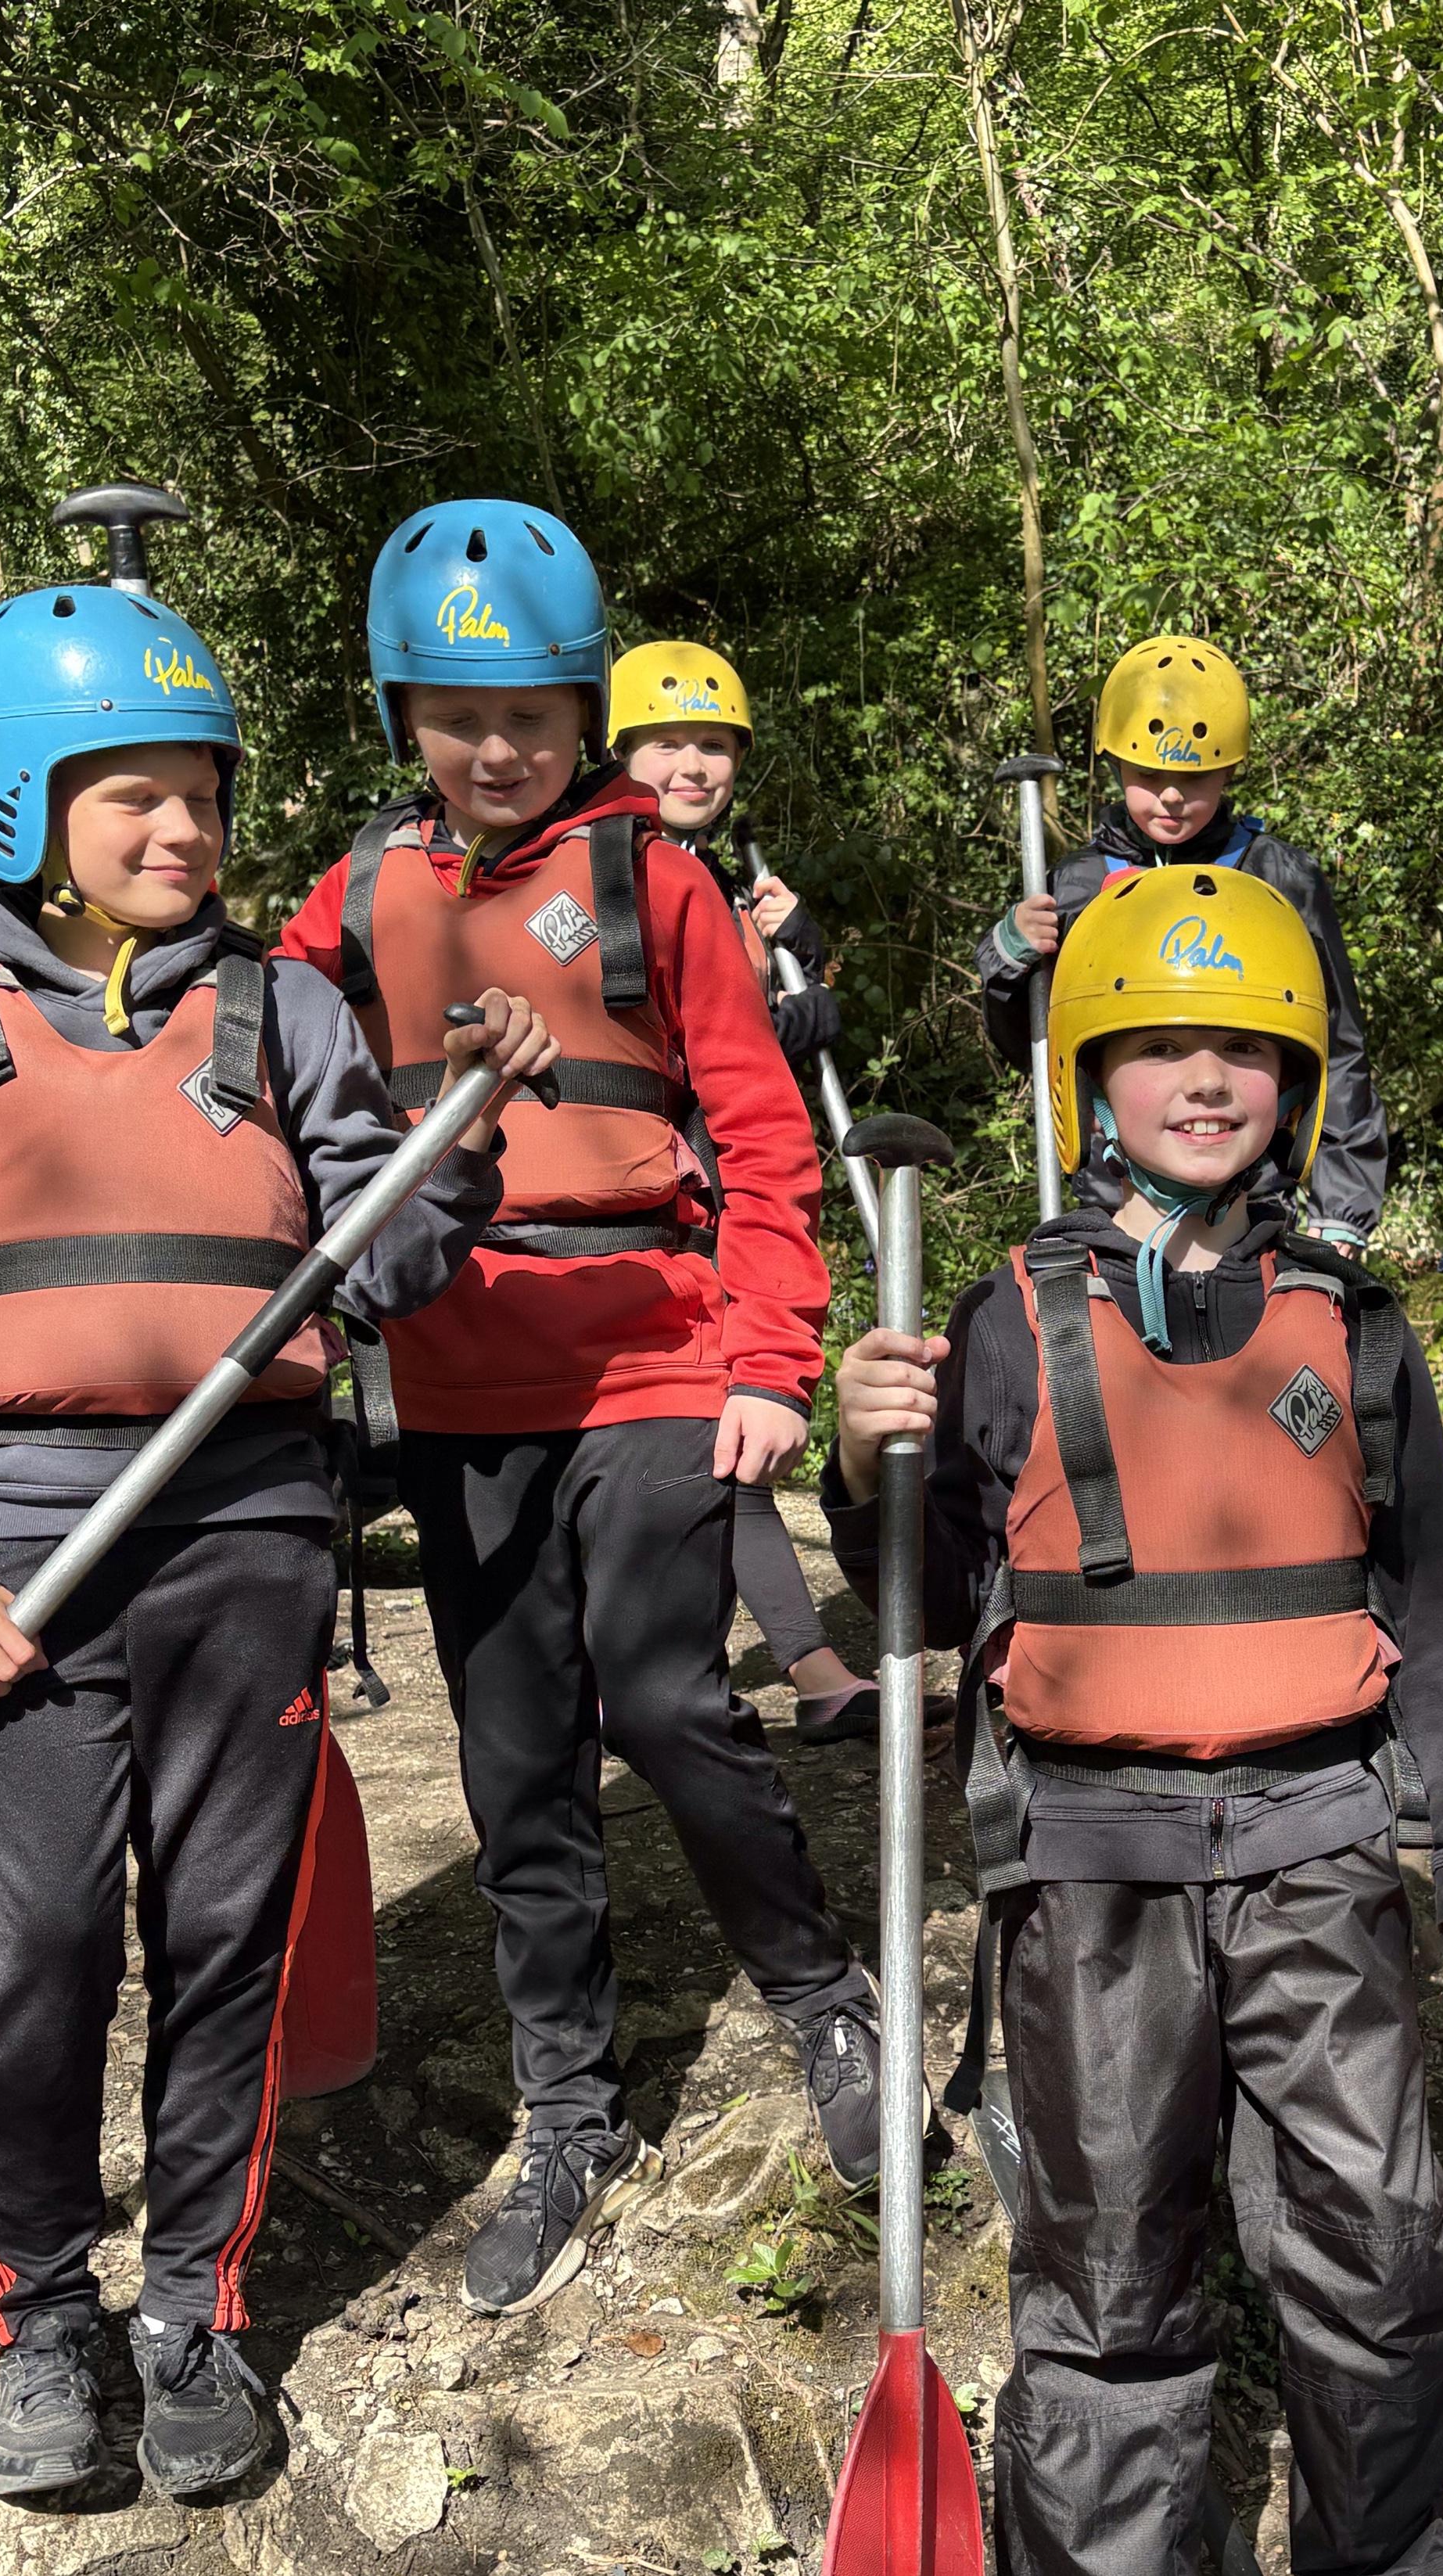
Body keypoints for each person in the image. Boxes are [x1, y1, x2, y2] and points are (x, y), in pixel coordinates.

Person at [831, 859, 1443, 2576]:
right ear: (1091, 1075)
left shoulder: (1356, 1326)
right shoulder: (999, 1317)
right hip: (1094, 1862)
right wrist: (860, 1456)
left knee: (1381, 2226)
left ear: (1294, 1083)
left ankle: (1379, 2535)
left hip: (1318, 1841)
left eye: (1243, 1047)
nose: (1205, 1079)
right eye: (1160, 1047)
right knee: (1113, 2252)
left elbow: (1437, 1614)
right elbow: (919, 1588)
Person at [0, 506, 531, 2505]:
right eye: (135, 793)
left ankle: (192, 2309)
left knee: (226, 1934)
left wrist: (462, 1135)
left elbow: (393, 1265)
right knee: (48, 1948)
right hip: (23, 1570)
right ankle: (43, 2312)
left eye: (204, 792)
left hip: (245, 1542)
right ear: (20, 804)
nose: (185, 827)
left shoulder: (277, 1009)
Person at [278, 502, 884, 2318]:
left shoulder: (652, 879)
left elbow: (763, 1135)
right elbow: (255, 1093)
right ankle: (569, 2109)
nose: (497, 749)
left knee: (668, 1692)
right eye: (460, 717)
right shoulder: (347, 905)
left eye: (532, 716)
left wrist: (772, 1357)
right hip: (461, 1373)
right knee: (514, 1746)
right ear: (404, 715)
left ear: (579, 713)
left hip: (652, 1349)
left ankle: (825, 2005)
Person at [608, 638, 882, 1744]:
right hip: (654, 1202)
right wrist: (780, 1016)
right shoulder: (607, 875)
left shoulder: (716, 881)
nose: (694, 766)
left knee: (725, 1430)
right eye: (668, 743)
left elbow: (761, 1052)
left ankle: (804, 1669)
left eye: (715, 746)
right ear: (618, 751)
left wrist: (802, 959)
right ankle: (804, 1668)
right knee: (704, 1431)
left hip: (732, 1195)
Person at [975, 638, 1387, 1251]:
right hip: (1116, 1195)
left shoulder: (1280, 878)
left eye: (1192, 778)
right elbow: (1039, 1049)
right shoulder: (1078, 885)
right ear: (1115, 765)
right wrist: (1008, 957)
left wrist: (1342, 1206)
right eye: (1149, 775)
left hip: (1253, 1196)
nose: (1170, 796)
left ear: (1229, 770)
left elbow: (1337, 1043)